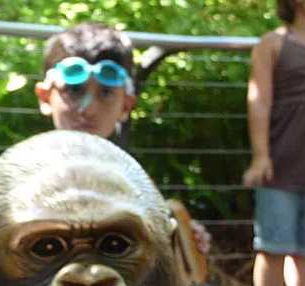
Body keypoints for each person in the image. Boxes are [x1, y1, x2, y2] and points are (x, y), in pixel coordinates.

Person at [34, 22, 212, 256]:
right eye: (74, 90)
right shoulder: (23, 176)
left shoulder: (132, 181)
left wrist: (183, 241)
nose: (88, 109)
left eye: (106, 92)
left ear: (126, 105)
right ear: (45, 97)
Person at [241, 0, 305, 286]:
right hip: (280, 164)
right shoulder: (274, 44)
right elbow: (259, 101)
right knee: (272, 247)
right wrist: (261, 155)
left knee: (304, 252)